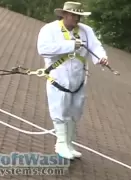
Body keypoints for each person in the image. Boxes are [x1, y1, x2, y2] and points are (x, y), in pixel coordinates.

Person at [36, 1, 108, 160]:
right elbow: (43, 49)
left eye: (79, 16)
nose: (77, 19)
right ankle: (60, 144)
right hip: (58, 78)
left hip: (79, 79)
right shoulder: (49, 29)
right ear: (64, 15)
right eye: (74, 15)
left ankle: (69, 143)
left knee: (75, 111)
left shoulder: (86, 31)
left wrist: (102, 58)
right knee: (60, 110)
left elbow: (96, 47)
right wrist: (69, 45)